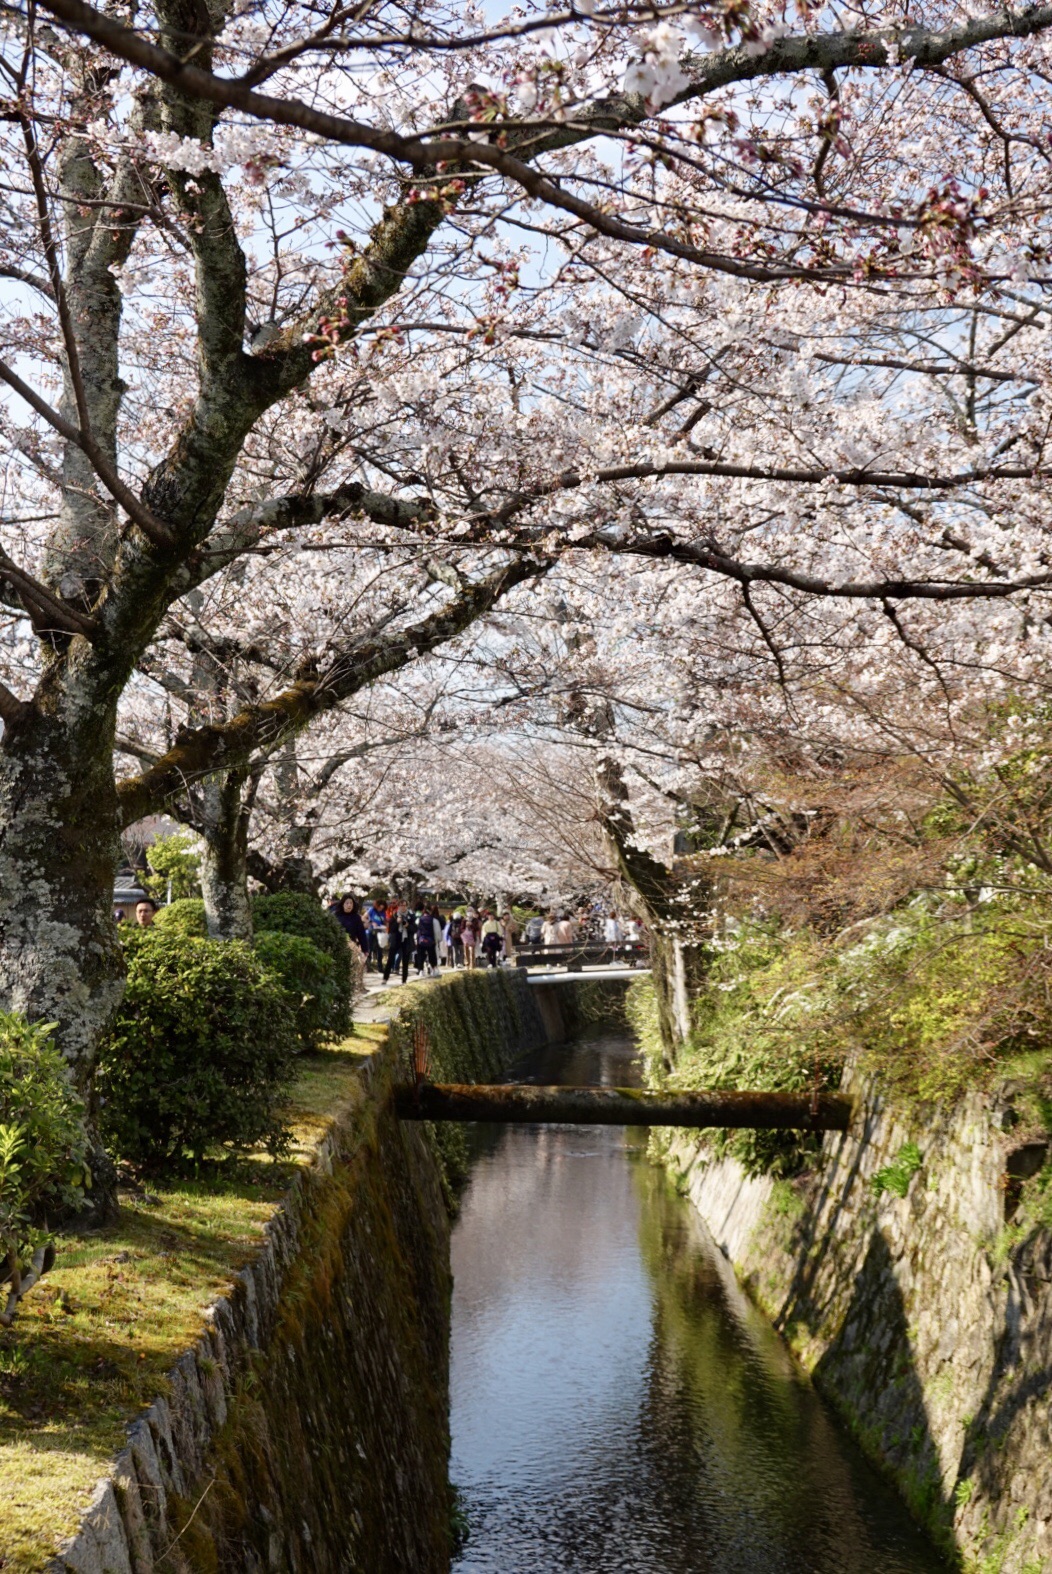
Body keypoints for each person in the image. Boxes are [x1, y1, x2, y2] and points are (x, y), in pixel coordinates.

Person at [383, 903, 412, 985]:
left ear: (406, 906)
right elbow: (391, 929)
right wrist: (397, 922)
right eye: (401, 905)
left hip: (406, 940)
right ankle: (385, 978)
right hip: (396, 940)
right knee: (390, 959)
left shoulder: (410, 916)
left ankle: (404, 980)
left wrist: (407, 926)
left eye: (404, 905)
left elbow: (414, 929)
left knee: (405, 961)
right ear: (399, 907)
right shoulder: (395, 916)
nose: (403, 907)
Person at [414, 906, 438, 975]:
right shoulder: (434, 920)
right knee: (432, 955)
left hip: (421, 940)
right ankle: (433, 970)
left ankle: (421, 970)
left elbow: (416, 930)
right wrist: (436, 940)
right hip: (431, 940)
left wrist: (416, 939)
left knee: (420, 956)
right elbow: (437, 932)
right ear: (430, 912)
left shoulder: (418, 919)